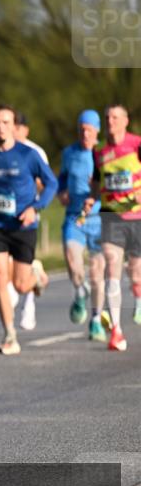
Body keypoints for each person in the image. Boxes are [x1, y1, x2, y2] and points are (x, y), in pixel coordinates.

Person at [0, 104, 58, 355]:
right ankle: (10, 334)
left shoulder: (29, 155)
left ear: (14, 126)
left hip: (23, 224)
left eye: (6, 122)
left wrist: (36, 207)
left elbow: (51, 183)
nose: (1, 127)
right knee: (0, 274)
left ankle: (36, 275)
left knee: (21, 286)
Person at [84, 103, 141, 351]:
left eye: (115, 117)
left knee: (137, 271)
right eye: (107, 117)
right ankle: (116, 329)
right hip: (111, 216)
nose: (110, 121)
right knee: (110, 261)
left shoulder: (137, 144)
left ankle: (138, 293)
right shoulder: (99, 151)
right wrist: (91, 198)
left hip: (137, 216)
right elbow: (97, 182)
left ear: (126, 121)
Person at [57, 109, 106, 340]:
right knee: (72, 259)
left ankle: (96, 320)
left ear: (97, 131)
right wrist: (61, 192)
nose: (85, 134)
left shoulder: (105, 154)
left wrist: (99, 190)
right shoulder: (69, 153)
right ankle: (79, 292)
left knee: (97, 274)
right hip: (75, 217)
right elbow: (62, 177)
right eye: (81, 129)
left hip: (98, 219)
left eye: (89, 130)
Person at [11, 111, 50, 330]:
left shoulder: (36, 152)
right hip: (5, 214)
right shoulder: (3, 151)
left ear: (25, 129)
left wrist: (28, 183)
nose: (13, 131)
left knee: (22, 262)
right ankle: (17, 294)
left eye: (17, 127)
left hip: (28, 213)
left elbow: (46, 183)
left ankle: (28, 306)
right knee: (7, 262)